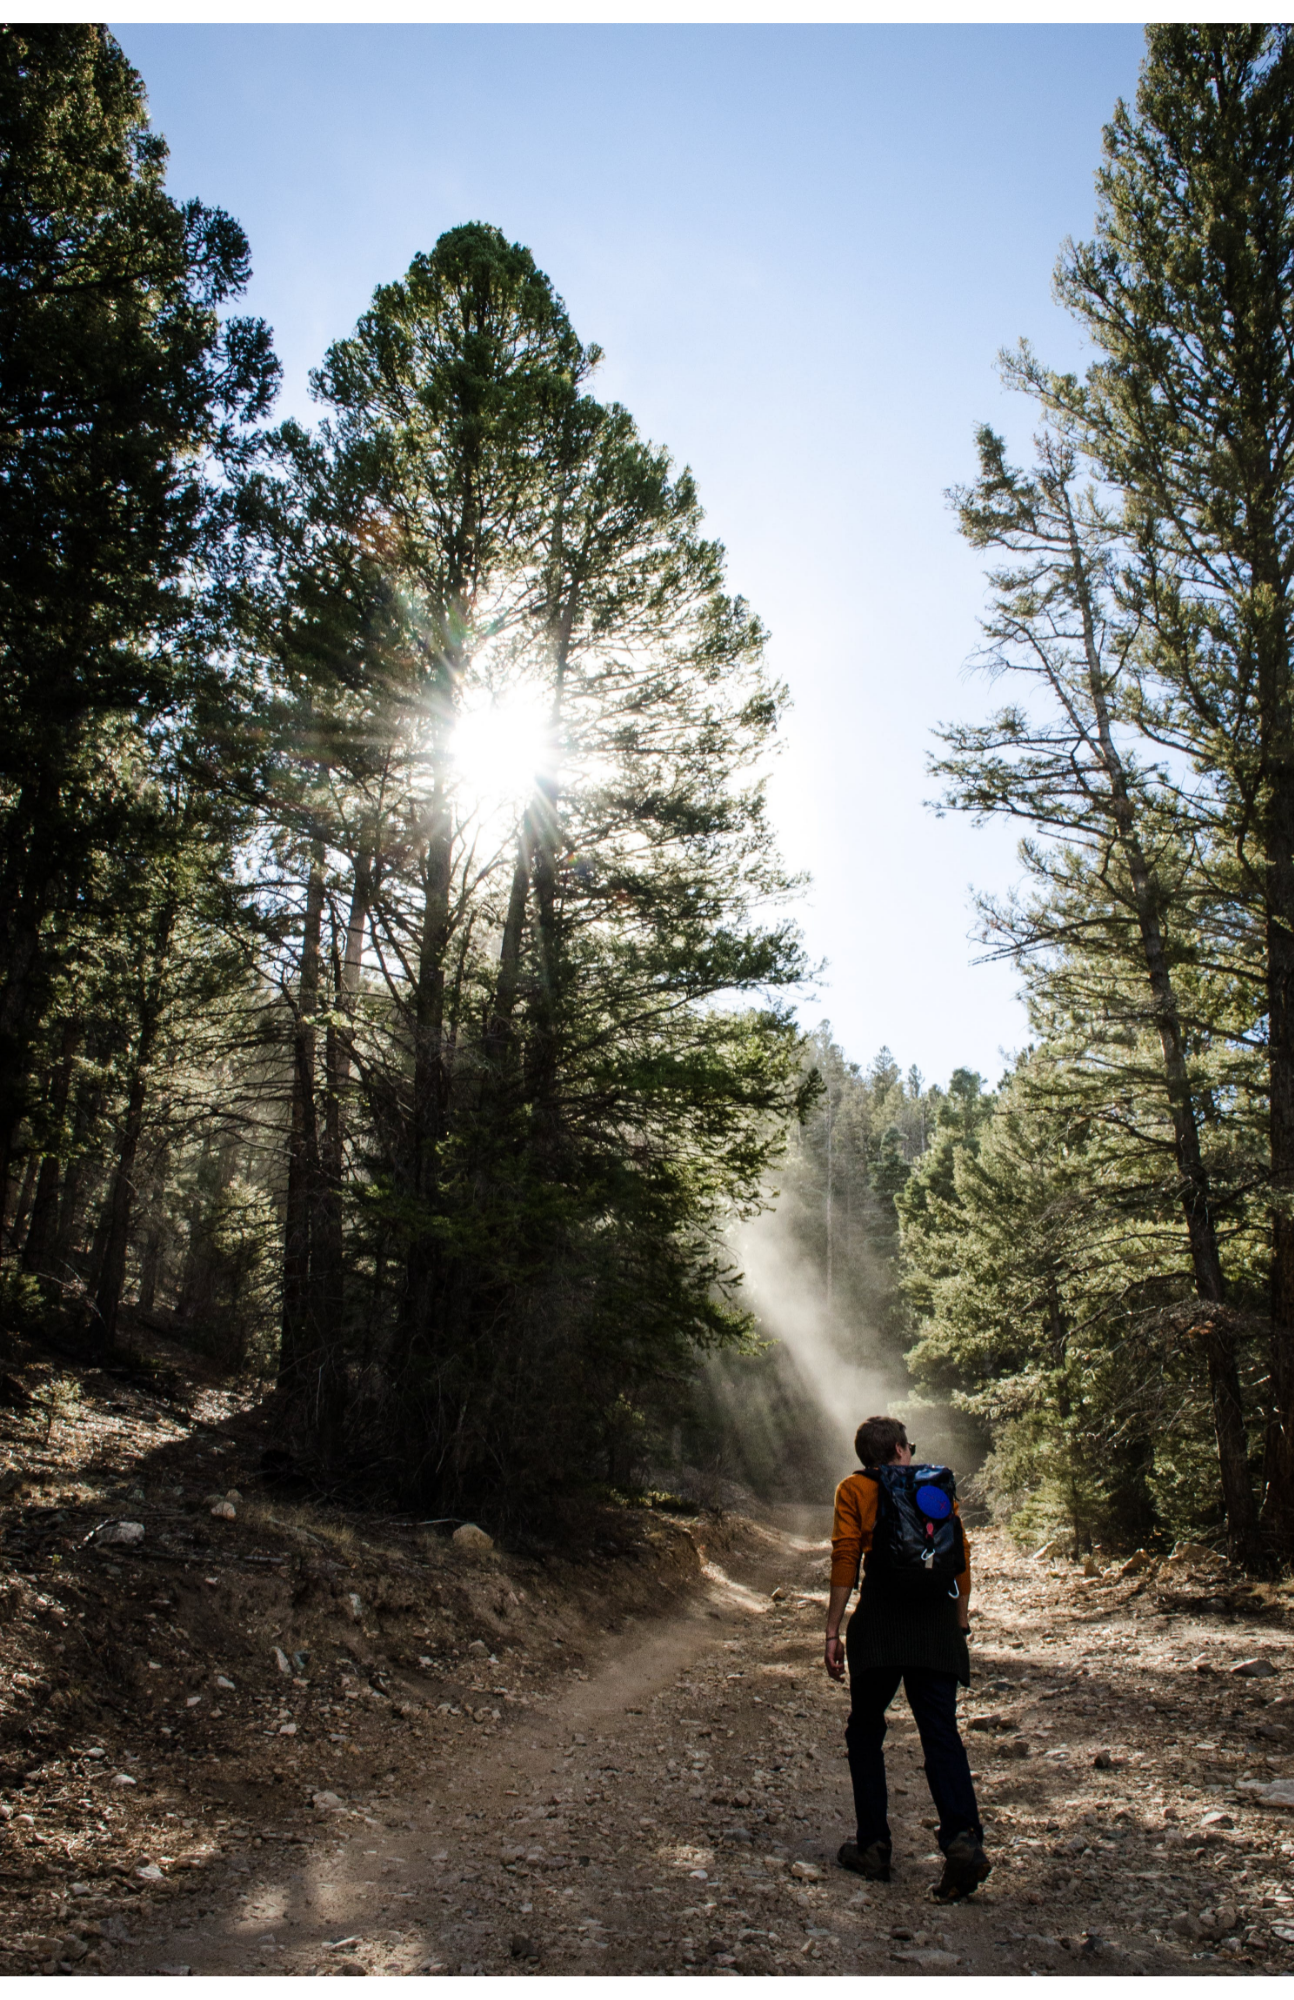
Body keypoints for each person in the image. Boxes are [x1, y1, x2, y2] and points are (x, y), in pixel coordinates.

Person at [824, 1413, 990, 1902]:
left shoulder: (853, 1490)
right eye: (907, 1447)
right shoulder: (932, 1485)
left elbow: (845, 1556)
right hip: (934, 1624)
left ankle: (874, 1846)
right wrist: (959, 1618)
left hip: (880, 1622)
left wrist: (832, 1629)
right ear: (898, 1449)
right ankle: (962, 1843)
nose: (910, 1454)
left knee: (866, 1730)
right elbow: (959, 1554)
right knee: (940, 1732)